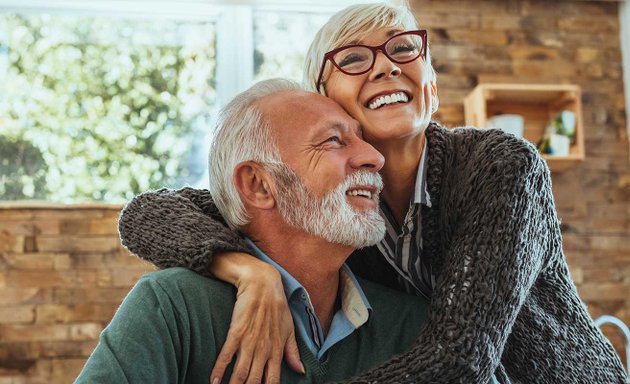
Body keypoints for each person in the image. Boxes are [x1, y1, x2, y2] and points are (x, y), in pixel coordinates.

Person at [118, 3, 628, 384]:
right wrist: (245, 268)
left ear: (430, 81)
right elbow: (149, 213)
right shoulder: (332, 202)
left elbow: (459, 362)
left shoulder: (502, 168)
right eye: (356, 58)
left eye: (404, 48)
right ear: (321, 97)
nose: (387, 67)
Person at [76, 79, 440, 383]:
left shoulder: (413, 325)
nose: (374, 158)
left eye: (362, 138)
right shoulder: (174, 308)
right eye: (333, 140)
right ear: (258, 185)